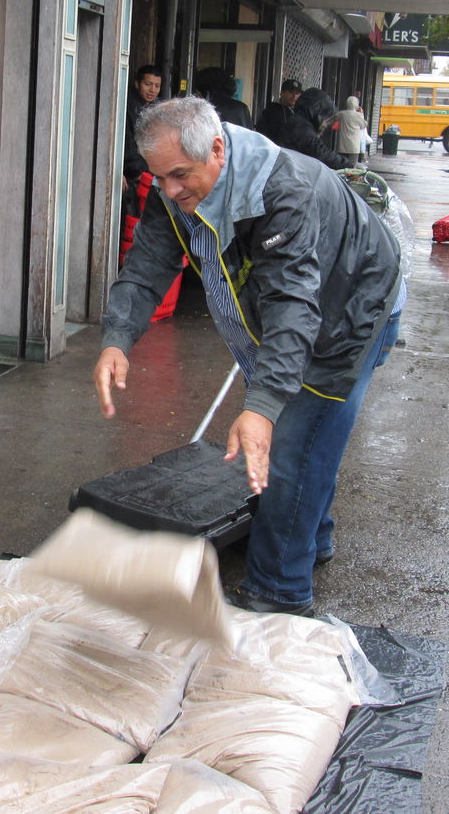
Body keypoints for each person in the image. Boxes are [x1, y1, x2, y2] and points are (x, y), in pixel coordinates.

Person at [94, 96, 404, 616]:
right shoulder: (179, 183)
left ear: (217, 149)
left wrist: (260, 409)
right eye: (159, 178)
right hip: (303, 309)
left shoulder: (285, 193)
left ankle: (278, 591)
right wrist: (116, 339)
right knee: (303, 443)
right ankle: (310, 540)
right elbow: (148, 262)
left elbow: (292, 310)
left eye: (178, 176)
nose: (168, 191)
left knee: (292, 446)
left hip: (351, 310)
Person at [280, 88, 355, 170]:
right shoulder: (299, 124)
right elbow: (318, 151)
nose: (325, 124)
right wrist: (346, 164)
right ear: (317, 112)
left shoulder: (301, 122)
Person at [123, 64, 162, 207]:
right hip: (135, 175)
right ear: (137, 83)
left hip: (151, 173)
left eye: (157, 86)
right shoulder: (126, 105)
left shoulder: (158, 108)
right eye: (148, 84)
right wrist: (137, 170)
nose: (152, 90)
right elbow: (126, 142)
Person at [254, 78, 302, 143]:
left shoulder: (299, 113)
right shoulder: (271, 111)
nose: (294, 96)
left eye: (297, 93)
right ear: (282, 92)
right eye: (291, 92)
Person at [338, 96, 371, 164]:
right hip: (354, 146)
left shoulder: (342, 114)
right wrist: (361, 114)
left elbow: (331, 120)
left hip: (342, 145)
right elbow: (363, 126)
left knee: (342, 165)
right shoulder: (359, 115)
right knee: (352, 167)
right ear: (356, 104)